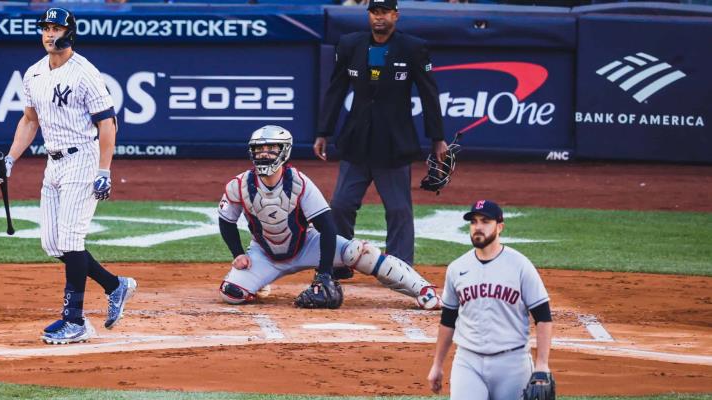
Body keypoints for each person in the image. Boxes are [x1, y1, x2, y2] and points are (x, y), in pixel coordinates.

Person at [0, 7, 136, 345]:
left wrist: (104, 171)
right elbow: (29, 121)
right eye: (45, 28)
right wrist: (11, 159)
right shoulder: (34, 74)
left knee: (71, 241)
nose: (49, 34)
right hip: (53, 163)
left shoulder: (84, 72)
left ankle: (75, 320)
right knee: (53, 244)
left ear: (69, 33)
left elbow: (107, 123)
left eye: (56, 28)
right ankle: (116, 286)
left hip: (82, 160)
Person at [216, 125, 442, 310]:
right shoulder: (239, 185)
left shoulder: (299, 182)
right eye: (260, 149)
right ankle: (260, 283)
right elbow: (226, 220)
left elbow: (327, 226)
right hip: (264, 253)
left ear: (284, 151)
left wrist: (324, 273)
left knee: (358, 252)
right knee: (232, 294)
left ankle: (423, 289)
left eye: (271, 148)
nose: (264, 154)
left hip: (307, 245)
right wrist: (238, 253)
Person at [316, 0, 447, 279]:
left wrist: (437, 138)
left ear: (395, 16)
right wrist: (323, 132)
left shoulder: (413, 47)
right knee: (340, 204)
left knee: (399, 210)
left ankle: (400, 269)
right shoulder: (350, 44)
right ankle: (340, 262)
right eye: (375, 12)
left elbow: (429, 93)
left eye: (385, 12)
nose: (380, 17)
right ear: (369, 16)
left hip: (394, 142)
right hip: (357, 140)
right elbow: (336, 90)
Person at [427, 200, 554, 399]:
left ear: (500, 226)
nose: (478, 227)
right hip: (468, 362)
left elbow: (543, 316)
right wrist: (437, 364)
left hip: (512, 363)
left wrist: (542, 365)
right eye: (474, 222)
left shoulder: (520, 265)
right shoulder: (457, 268)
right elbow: (448, 320)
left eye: (485, 221)